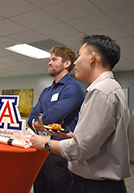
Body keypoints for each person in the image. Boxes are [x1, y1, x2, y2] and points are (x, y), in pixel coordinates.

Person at [30, 34, 131, 193]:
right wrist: (72, 136)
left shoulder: (101, 92)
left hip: (96, 186)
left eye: (79, 55)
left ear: (93, 57)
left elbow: (80, 149)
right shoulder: (109, 88)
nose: (76, 62)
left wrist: (45, 143)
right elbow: (95, 140)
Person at [28, 46, 85, 193]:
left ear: (66, 63)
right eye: (49, 60)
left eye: (54, 59)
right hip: (41, 149)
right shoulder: (47, 91)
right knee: (40, 188)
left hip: (60, 152)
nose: (49, 63)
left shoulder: (74, 88)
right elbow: (31, 117)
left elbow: (49, 117)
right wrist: (40, 121)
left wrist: (43, 118)